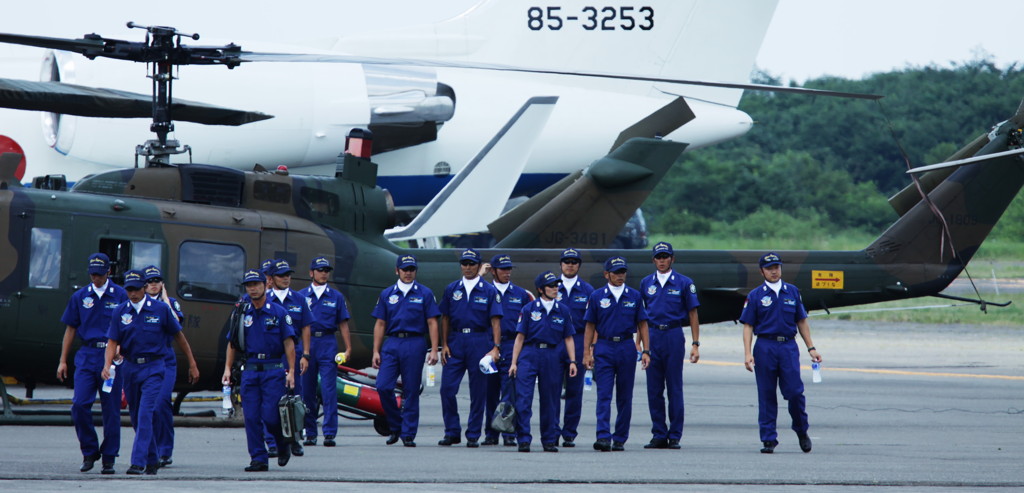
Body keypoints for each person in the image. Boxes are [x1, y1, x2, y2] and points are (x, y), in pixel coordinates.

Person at [103, 269, 199, 475]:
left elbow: (179, 337)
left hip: (154, 367)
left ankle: (138, 462)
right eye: (129, 289)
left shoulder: (161, 309)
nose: (133, 293)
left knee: (147, 412)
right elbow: (112, 341)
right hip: (129, 367)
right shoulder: (120, 311)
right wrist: (106, 364)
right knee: (136, 416)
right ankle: (153, 457)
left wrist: (192, 363)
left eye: (136, 289)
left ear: (144, 288)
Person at [741, 252, 822, 454]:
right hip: (765, 347)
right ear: (762, 271)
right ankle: (769, 439)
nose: (774, 271)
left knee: (795, 393)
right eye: (769, 268)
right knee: (767, 394)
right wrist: (747, 353)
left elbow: (801, 321)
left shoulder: (792, 292)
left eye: (776, 267)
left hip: (787, 347)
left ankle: (802, 431)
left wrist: (811, 348)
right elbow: (748, 326)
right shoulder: (755, 296)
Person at [57, 253, 127, 474]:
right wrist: (62, 361)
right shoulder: (80, 297)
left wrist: (120, 350)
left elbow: (129, 325)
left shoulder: (121, 294)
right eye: (92, 274)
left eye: (99, 274)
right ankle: (89, 451)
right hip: (87, 355)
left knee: (111, 410)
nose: (95, 278)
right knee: (79, 405)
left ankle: (109, 457)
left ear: (108, 272)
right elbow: (70, 329)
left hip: (111, 357)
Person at [222, 268, 299, 471]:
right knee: (252, 417)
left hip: (273, 369)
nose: (253, 289)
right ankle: (258, 458)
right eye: (249, 285)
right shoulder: (241, 313)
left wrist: (291, 371)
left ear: (266, 285)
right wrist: (227, 369)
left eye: (256, 284)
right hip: (250, 370)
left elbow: (289, 343)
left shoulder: (279, 312)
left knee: (271, 416)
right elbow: (232, 343)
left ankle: (282, 445)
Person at [371, 254, 441, 447]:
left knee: (411, 390)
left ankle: (408, 433)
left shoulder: (425, 293)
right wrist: (376, 351)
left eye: (411, 269)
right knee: (383, 386)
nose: (408, 273)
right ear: (397, 271)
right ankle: (395, 426)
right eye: (405, 269)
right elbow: (380, 323)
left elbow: (432, 322)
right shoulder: (387, 294)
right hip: (392, 343)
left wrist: (434, 350)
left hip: (415, 343)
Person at [582, 256, 650, 452]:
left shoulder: (635, 296)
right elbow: (589, 326)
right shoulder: (596, 296)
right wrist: (587, 352)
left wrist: (646, 350)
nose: (621, 276)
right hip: (604, 347)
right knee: (604, 394)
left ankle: (620, 437)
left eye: (623, 272)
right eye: (616, 272)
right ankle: (603, 436)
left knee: (625, 396)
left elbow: (643, 324)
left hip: (627, 347)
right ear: (606, 274)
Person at [638, 242, 700, 450]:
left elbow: (693, 314)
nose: (662, 260)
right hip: (653, 335)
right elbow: (641, 316)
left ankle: (675, 435)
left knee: (674, 387)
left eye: (666, 257)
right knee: (654, 388)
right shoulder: (646, 283)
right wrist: (640, 342)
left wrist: (695, 343)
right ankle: (658, 433)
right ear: (653, 260)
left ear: (672, 259)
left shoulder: (684, 283)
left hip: (673, 335)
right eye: (658, 257)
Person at [437, 248, 502, 447]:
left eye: (471, 264)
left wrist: (495, 348)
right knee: (447, 389)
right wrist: (444, 344)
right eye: (464, 263)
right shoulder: (452, 289)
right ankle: (452, 431)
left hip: (480, 340)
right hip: (456, 341)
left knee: (478, 391)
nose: (467, 267)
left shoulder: (489, 290)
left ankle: (473, 434)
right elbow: (445, 318)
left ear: (478, 265)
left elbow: (495, 321)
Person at [508, 271, 577, 453]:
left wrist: (572, 361)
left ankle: (549, 439)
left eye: (556, 285)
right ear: (540, 289)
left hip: (553, 356)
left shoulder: (563, 310)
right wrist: (514, 363)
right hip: (530, 354)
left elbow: (569, 338)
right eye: (551, 286)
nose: (555, 289)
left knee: (551, 400)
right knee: (523, 399)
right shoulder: (529, 309)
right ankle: (523, 439)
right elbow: (520, 338)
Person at [299, 256, 352, 448]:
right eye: (320, 270)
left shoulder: (336, 296)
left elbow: (343, 324)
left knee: (329, 390)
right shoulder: (301, 296)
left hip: (328, 342)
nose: (324, 273)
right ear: (311, 273)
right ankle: (310, 432)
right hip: (307, 343)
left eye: (326, 270)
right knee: (307, 390)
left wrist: (348, 348)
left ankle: (329, 433)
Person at [483, 254, 533, 447]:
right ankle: (491, 433)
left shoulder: (521, 294)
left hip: (512, 344)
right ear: (493, 271)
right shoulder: (485, 291)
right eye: (503, 269)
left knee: (510, 390)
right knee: (490, 390)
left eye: (509, 269)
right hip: (489, 345)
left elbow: (528, 322)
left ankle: (508, 432)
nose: (507, 272)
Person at [264, 259, 311, 457]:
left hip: (293, 353)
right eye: (281, 275)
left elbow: (306, 327)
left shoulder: (299, 299)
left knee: (294, 399)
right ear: (271, 279)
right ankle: (272, 442)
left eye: (288, 275)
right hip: (271, 356)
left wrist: (306, 355)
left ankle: (295, 440)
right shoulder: (264, 299)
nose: (286, 278)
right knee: (271, 400)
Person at [142, 265, 185, 467]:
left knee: (161, 403)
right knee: (144, 408)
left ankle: (165, 450)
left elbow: (177, 325)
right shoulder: (136, 303)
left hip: (165, 359)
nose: (153, 285)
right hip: (141, 360)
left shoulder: (170, 304)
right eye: (149, 281)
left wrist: (166, 299)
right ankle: (149, 449)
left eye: (157, 281)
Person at [555, 247, 595, 447]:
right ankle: (552, 430)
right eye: (566, 261)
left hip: (579, 340)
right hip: (555, 341)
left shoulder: (587, 290)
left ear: (579, 265)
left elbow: (593, 322)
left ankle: (569, 432)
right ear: (561, 264)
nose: (570, 264)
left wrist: (590, 349)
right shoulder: (551, 286)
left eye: (574, 261)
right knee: (551, 387)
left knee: (574, 389)